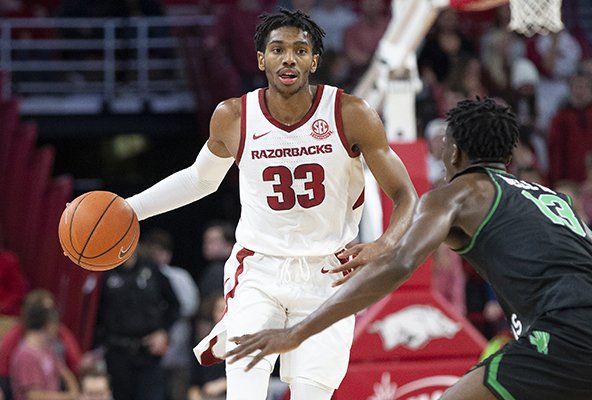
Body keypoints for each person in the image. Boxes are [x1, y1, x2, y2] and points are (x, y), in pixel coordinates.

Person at [124, 8, 418, 400]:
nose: (289, 58)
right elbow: (200, 179)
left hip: (329, 274)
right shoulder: (233, 115)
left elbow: (405, 195)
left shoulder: (351, 113)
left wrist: (384, 244)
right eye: (277, 49)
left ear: (314, 60)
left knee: (311, 394)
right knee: (244, 391)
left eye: (300, 50)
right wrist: (131, 209)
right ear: (262, 59)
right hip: (259, 270)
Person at [226, 97, 592, 400]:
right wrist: (383, 247)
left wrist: (298, 332)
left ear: (453, 154)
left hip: (565, 329)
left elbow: (401, 265)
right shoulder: (553, 198)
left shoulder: (458, 193)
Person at [93, 248, 180, 400]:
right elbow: (95, 313)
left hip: (148, 353)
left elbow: (174, 305)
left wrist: (163, 332)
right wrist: (93, 347)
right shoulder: (105, 272)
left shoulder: (152, 269)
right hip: (117, 353)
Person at [142, 228, 200, 400]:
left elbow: (191, 305)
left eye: (162, 251)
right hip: (150, 340)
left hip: (178, 336)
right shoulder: (144, 275)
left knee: (178, 387)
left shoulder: (179, 276)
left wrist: (168, 317)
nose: (158, 256)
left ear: (168, 254)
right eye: (154, 251)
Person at [0, 289, 81, 400]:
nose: (58, 329)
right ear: (49, 326)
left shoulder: (48, 348)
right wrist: (68, 397)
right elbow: (33, 395)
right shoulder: (26, 354)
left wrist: (74, 391)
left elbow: (65, 370)